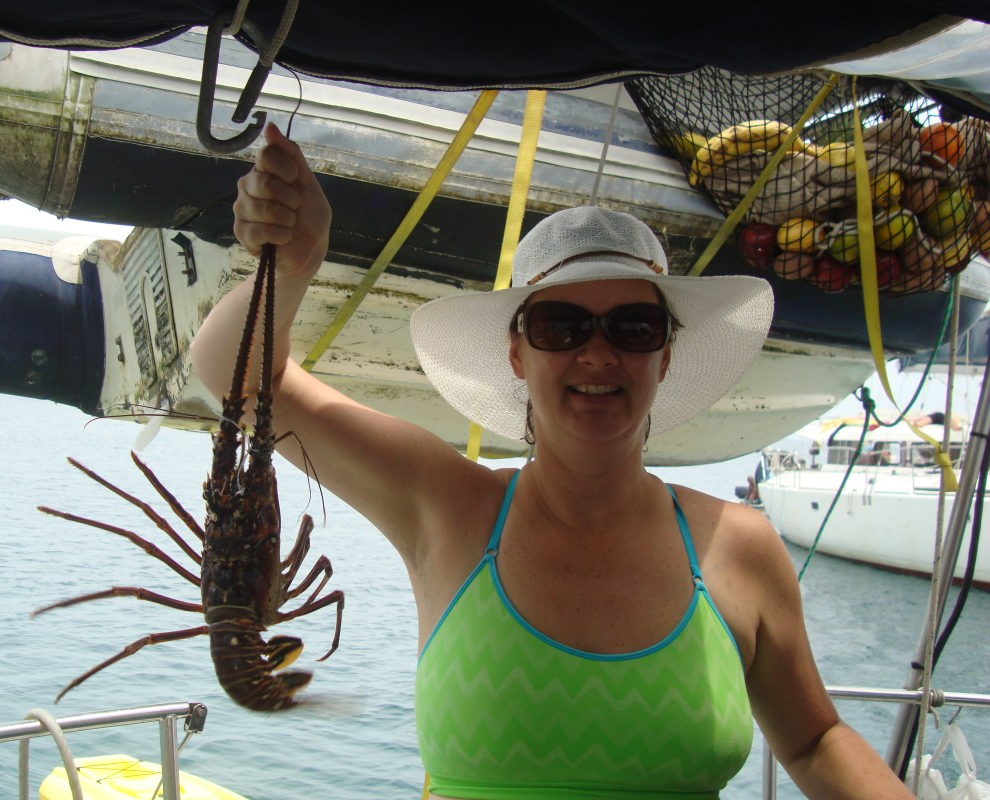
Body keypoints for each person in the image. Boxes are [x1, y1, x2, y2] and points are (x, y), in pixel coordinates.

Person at [190, 123, 914, 799]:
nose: (597, 353)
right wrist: (294, 264)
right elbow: (237, 377)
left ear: (665, 354)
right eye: (560, 325)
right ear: (517, 351)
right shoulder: (447, 507)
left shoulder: (743, 548)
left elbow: (816, 739)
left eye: (634, 325)